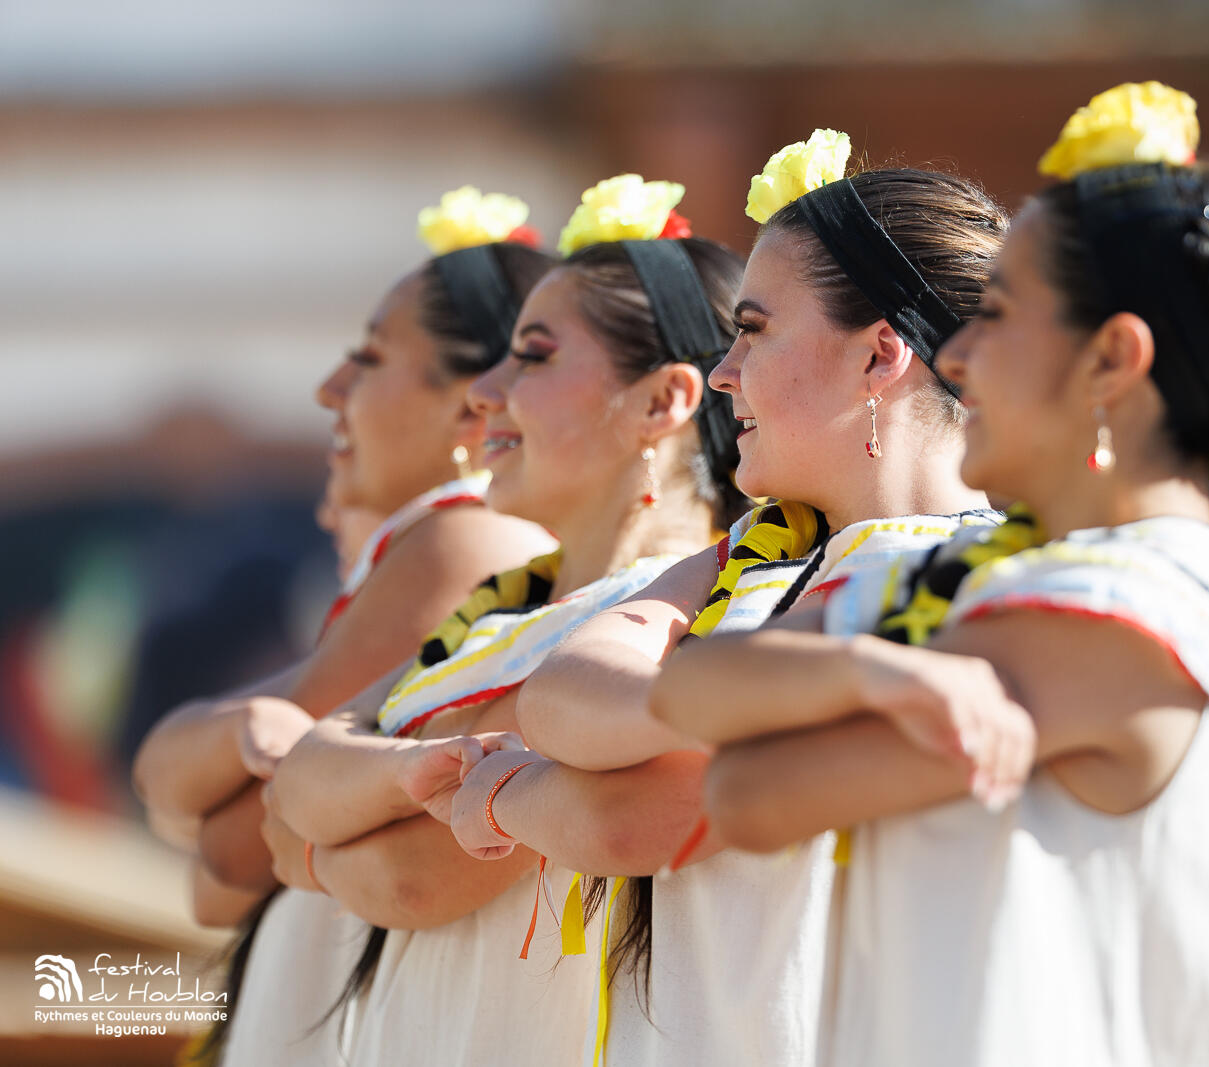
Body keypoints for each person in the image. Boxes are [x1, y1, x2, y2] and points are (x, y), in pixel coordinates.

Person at [653, 83, 1209, 1066]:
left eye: (1003, 314)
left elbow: (750, 791)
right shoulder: (996, 575)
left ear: (1110, 359)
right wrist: (873, 674)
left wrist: (840, 670)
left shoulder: (1122, 610)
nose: (962, 353)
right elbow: (689, 683)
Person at [420, 131, 1009, 1066]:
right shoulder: (759, 555)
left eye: (755, 329)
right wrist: (738, 701)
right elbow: (567, 690)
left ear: (879, 357)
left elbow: (628, 818)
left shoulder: (988, 582)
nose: (726, 372)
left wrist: (510, 795)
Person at [266, 174, 748, 1067]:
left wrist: (330, 826)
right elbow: (292, 785)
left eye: (531, 354)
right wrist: (412, 772)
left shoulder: (671, 616)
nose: (485, 390)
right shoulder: (501, 613)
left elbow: (413, 874)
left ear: (662, 402)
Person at [134, 185, 557, 1065]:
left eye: (367, 358)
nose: (330, 389)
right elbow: (210, 827)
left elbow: (230, 847)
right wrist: (234, 745)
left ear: (469, 409)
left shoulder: (465, 539)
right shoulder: (434, 544)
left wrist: (225, 749)